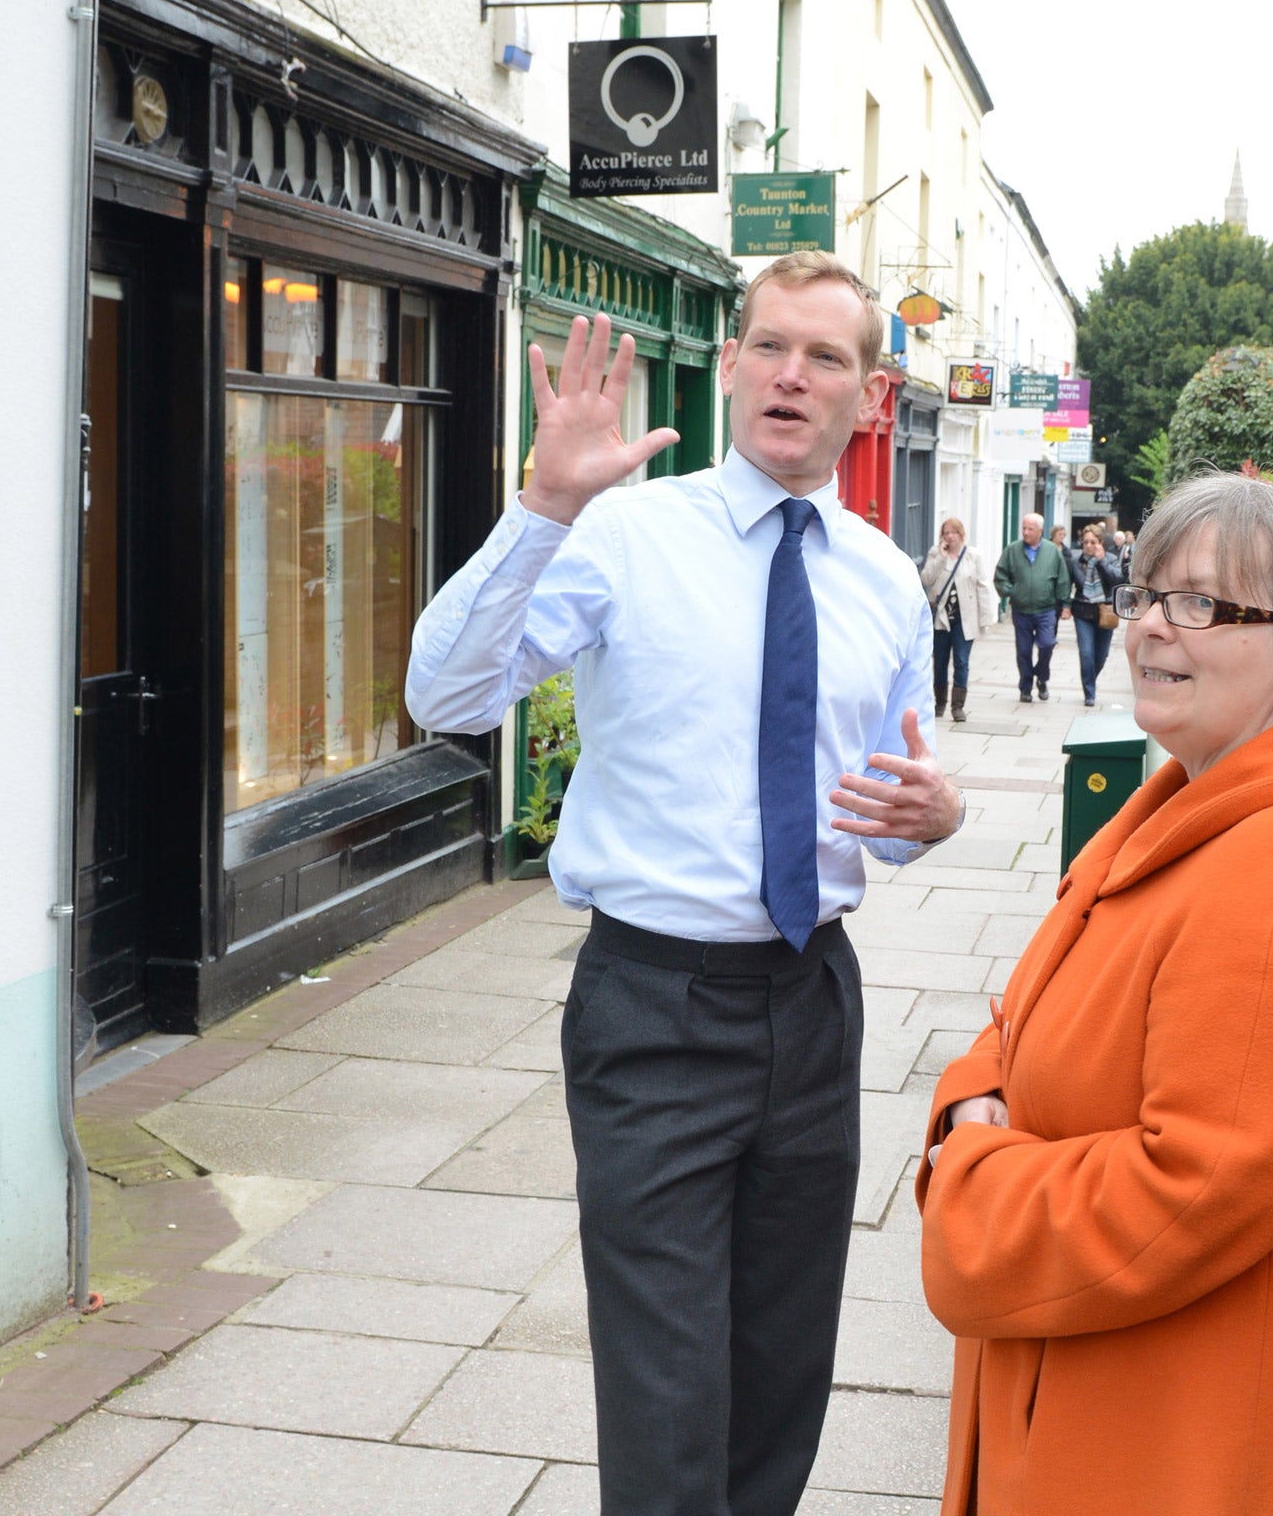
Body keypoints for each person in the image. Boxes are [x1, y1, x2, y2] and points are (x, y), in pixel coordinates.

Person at [405, 250, 965, 1516]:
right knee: (664, 1395)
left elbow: (884, 815)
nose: (790, 375)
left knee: (780, 1372)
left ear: (867, 398)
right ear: (727, 366)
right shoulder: (621, 537)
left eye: (825, 357)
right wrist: (542, 505)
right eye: (769, 346)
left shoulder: (883, 582)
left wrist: (930, 818)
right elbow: (443, 696)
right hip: (652, 1006)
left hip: (813, 1002)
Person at [915, 473, 1273, 1516]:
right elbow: (1026, 1011)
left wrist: (975, 1181)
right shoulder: (1198, 799)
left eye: (1199, 606)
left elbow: (1197, 1189)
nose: (1144, 632)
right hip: (1136, 1405)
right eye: (1143, 595)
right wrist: (972, 1098)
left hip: (1197, 1447)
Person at [919, 517, 996, 723]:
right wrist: (941, 559)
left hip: (964, 618)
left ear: (961, 534)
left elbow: (982, 585)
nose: (949, 536)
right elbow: (926, 579)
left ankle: (958, 706)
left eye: (953, 532)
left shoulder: (973, 556)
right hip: (942, 618)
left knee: (961, 661)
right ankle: (940, 702)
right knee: (940, 662)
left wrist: (985, 618)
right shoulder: (936, 553)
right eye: (946, 533)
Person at [993, 510, 1069, 703]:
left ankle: (1042, 678)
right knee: (1024, 651)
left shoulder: (1053, 551)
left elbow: (1062, 579)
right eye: (1024, 528)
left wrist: (1066, 603)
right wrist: (1012, 591)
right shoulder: (1012, 550)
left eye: (1030, 529)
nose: (1025, 532)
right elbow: (1000, 575)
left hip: (1046, 609)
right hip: (1022, 610)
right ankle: (1025, 686)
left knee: (1047, 644)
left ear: (1040, 531)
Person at [1064, 526, 1124, 706]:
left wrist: (1102, 561)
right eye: (1086, 542)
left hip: (1105, 613)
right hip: (1083, 611)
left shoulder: (1111, 559)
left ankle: (1090, 678)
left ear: (1100, 543)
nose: (1089, 546)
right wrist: (1065, 606)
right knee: (1086, 654)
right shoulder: (1075, 561)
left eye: (1093, 542)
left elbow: (1118, 580)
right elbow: (1068, 585)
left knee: (1101, 655)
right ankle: (1089, 692)